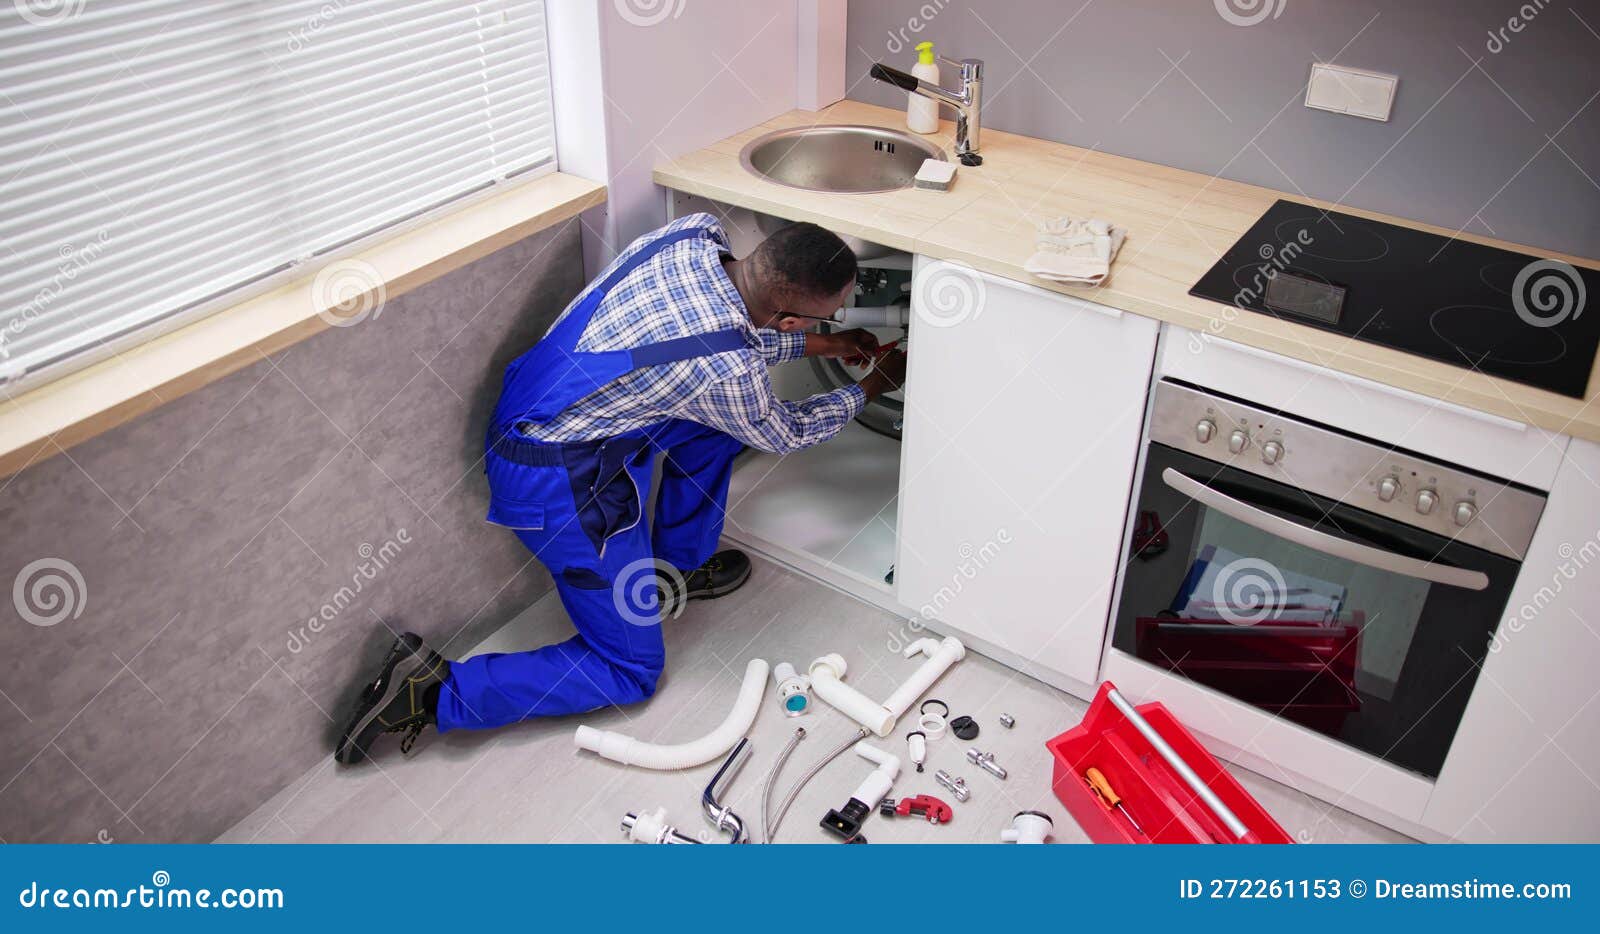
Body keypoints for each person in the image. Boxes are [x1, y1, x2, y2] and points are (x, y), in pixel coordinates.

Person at [334, 213, 908, 763]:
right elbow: (785, 429)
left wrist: (823, 345)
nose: (826, 325)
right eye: (822, 319)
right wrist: (869, 388)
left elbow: (720, 339)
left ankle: (674, 570)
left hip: (552, 404)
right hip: (554, 481)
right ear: (787, 319)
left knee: (711, 433)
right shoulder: (728, 371)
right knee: (628, 672)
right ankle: (430, 694)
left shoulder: (694, 235)